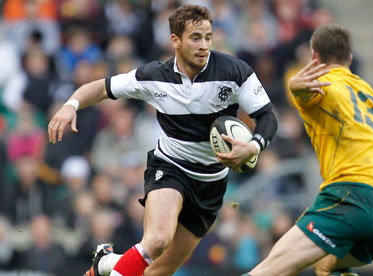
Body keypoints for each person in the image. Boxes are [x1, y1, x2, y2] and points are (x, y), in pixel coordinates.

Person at [47, 5, 277, 276]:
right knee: (157, 240)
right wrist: (71, 105)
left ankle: (106, 263)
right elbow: (99, 88)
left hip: (211, 184)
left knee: (157, 272)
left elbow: (267, 117)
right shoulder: (153, 76)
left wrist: (253, 145)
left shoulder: (235, 71)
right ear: (175, 41)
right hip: (170, 168)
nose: (203, 45)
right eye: (195, 37)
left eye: (208, 37)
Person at [244, 24, 373, 276]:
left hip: (349, 198)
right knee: (327, 266)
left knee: (268, 270)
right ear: (349, 58)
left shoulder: (321, 84)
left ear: (314, 56)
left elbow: (303, 91)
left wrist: (294, 86)